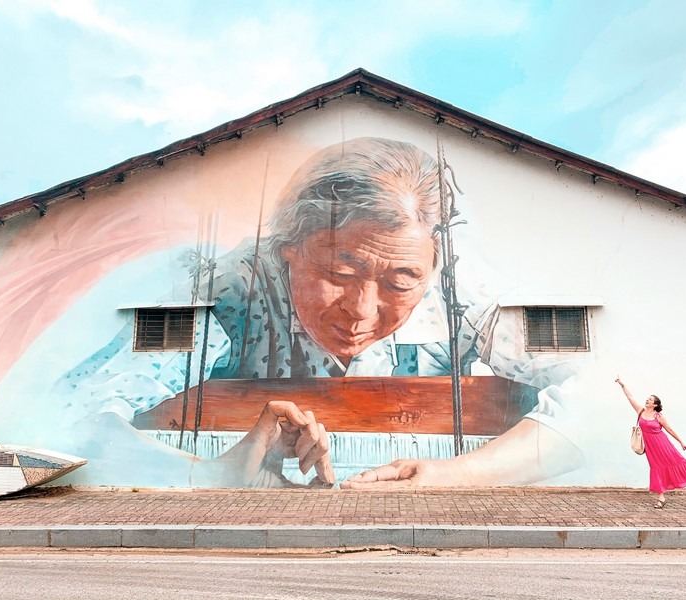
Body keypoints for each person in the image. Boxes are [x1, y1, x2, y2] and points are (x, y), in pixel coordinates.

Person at [47, 137, 584, 488]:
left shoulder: (460, 288)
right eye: (339, 274)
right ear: (288, 249)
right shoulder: (227, 285)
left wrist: (450, 477)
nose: (361, 312)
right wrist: (210, 476)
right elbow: (74, 417)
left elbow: (608, 397)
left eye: (401, 281)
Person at [615, 376, 686, 508]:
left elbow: (669, 429)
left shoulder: (659, 416)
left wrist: (681, 442)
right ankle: (661, 498)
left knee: (679, 461)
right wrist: (622, 385)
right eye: (647, 398)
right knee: (657, 469)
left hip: (663, 445)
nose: (647, 400)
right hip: (651, 448)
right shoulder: (641, 411)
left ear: (655, 404)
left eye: (650, 399)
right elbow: (630, 397)